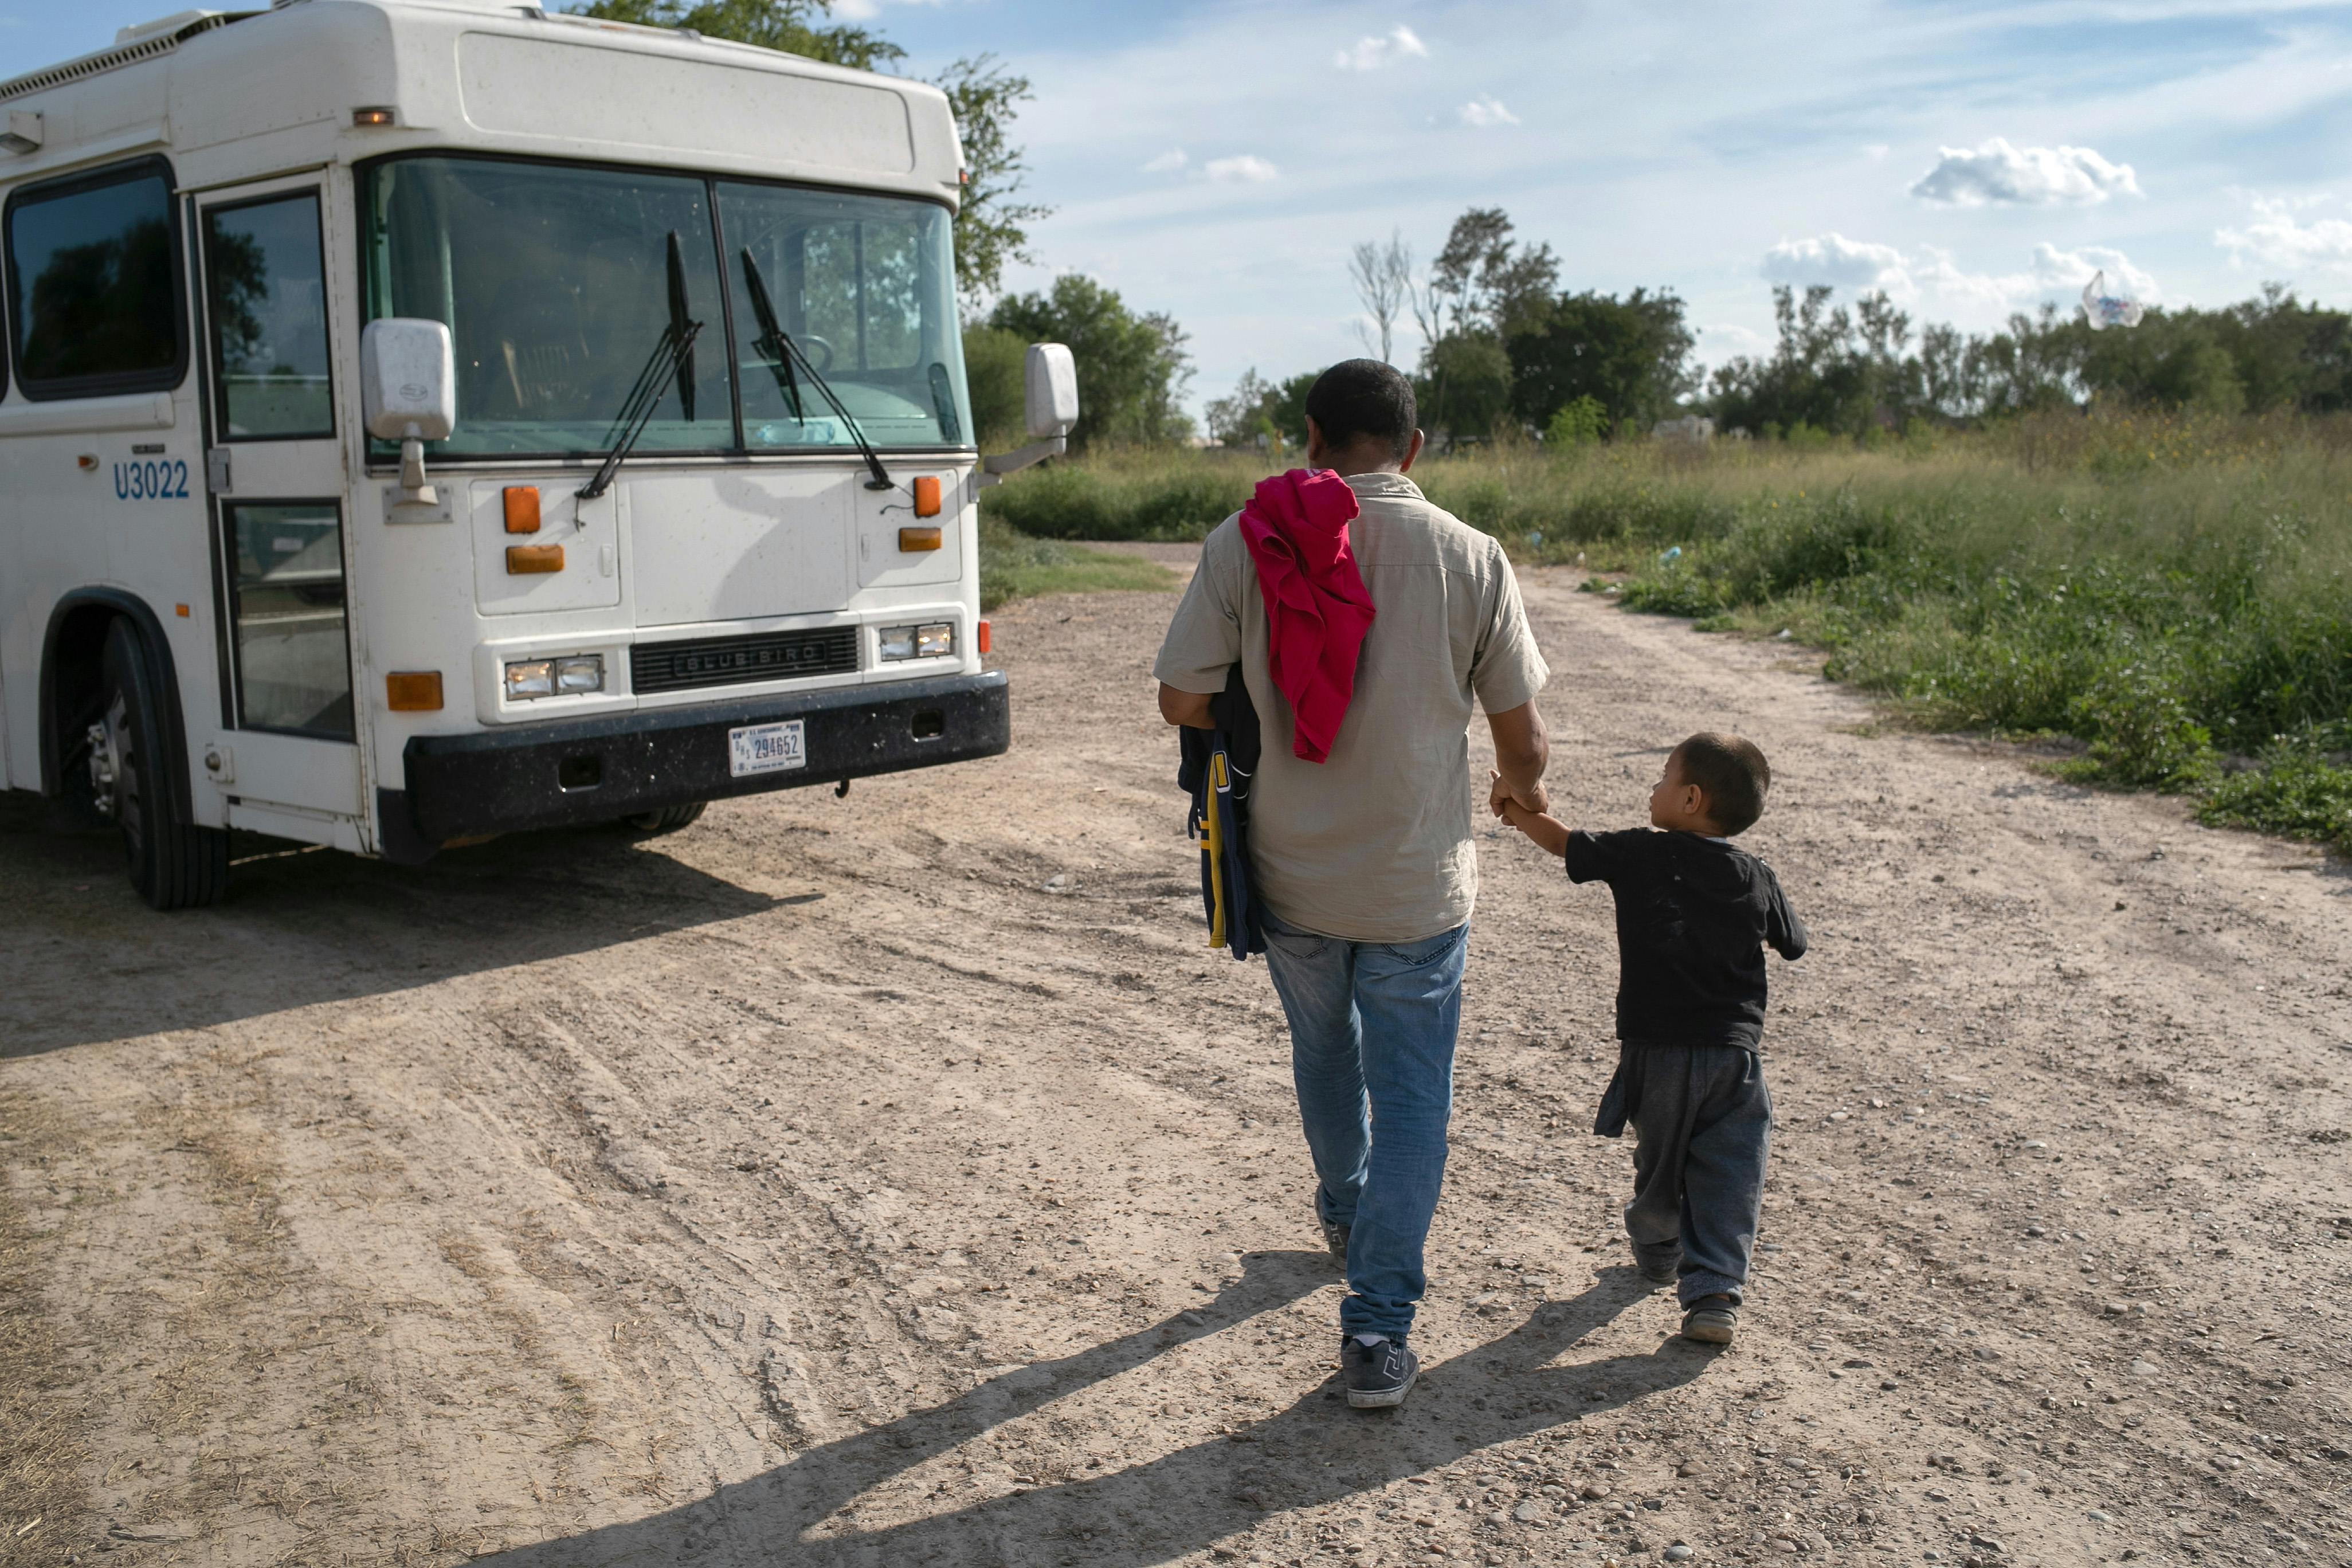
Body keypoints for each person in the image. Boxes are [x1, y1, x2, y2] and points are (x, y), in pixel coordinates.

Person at [1154, 359, 1551, 1408]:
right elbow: (1521, 735)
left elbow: (1177, 700)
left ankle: (1341, 1207)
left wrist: (1259, 710)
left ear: (1310, 437)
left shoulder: (1248, 540)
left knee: (1323, 1047)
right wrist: (1516, 794)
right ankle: (1377, 1329)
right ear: (1413, 449)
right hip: (1415, 884)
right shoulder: (1472, 555)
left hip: (1290, 874)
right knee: (1413, 1097)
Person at [1491, 733, 1808, 1344]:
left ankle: (1658, 1239)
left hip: (1657, 1052)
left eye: (1663, 776)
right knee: (1732, 1171)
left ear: (1690, 798)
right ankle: (1715, 1291)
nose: (1653, 786)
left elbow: (1562, 843)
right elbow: (1794, 942)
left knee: (1661, 1165)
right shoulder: (1756, 874)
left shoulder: (1641, 853)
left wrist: (1516, 808)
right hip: (1734, 1057)